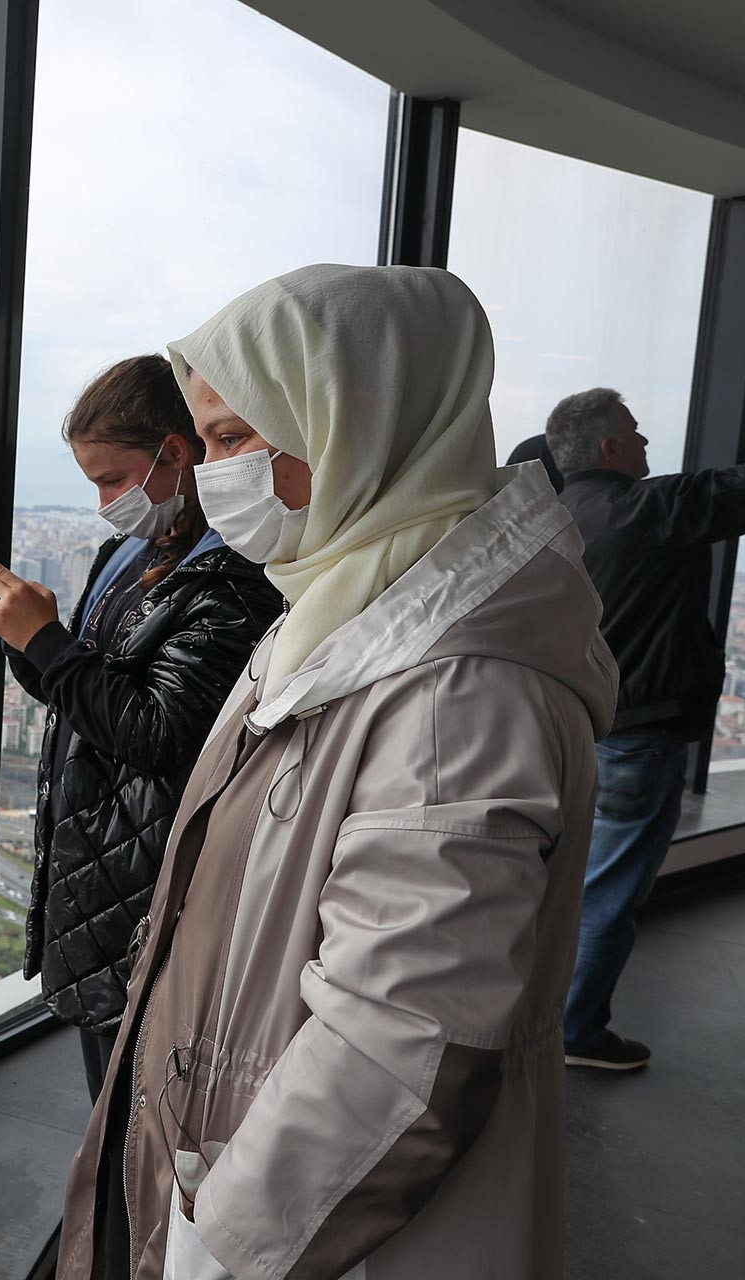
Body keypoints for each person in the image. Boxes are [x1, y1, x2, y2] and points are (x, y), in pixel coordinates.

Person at [54, 265, 617, 1280]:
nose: (216, 470)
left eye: (232, 438)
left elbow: (402, 1046)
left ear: (348, 420)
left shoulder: (462, 687)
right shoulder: (350, 600)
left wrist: (213, 1248)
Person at [0, 355, 281, 1103]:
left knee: (135, 1116)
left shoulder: (233, 579)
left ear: (175, 454)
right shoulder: (129, 555)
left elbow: (157, 732)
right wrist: (26, 640)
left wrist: (46, 642)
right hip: (104, 866)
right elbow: (88, 696)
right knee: (106, 1101)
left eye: (114, 479)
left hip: (151, 882)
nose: (107, 503)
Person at [550, 376, 745, 1070]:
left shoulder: (553, 517)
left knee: (565, 883)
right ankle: (575, 1035)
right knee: (609, 892)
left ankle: (538, 1016)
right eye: (636, 429)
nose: (649, 440)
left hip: (569, 726)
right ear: (611, 445)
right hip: (637, 734)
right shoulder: (650, 508)